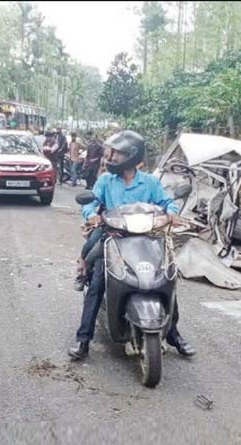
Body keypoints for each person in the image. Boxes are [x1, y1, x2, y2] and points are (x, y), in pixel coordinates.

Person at [68, 130, 195, 361]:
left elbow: (167, 202)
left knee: (165, 279)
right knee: (98, 282)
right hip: (114, 237)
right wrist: (91, 214)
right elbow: (91, 203)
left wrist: (173, 213)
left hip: (146, 239)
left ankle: (173, 334)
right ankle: (83, 339)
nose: (112, 158)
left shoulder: (150, 182)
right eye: (112, 153)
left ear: (131, 156)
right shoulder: (106, 180)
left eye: (117, 154)